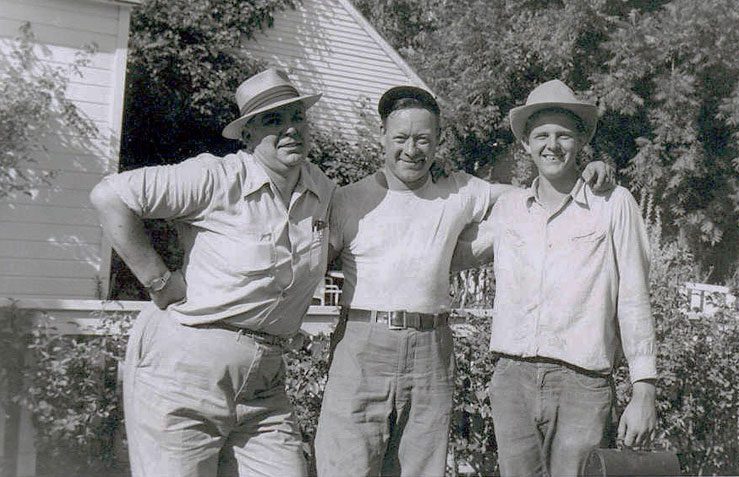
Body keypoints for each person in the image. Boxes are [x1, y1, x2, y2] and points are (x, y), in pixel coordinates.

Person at [313, 85, 615, 477]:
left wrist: (587, 174)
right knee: (346, 466)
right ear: (382, 136)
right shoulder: (348, 199)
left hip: (431, 352)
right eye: (401, 138)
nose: (412, 150)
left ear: (438, 141)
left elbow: (539, 198)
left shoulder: (460, 190)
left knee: (420, 468)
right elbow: (309, 266)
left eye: (423, 139)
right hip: (361, 346)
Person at [89, 69, 335, 477]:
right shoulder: (216, 178)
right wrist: (160, 281)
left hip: (264, 382)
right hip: (185, 369)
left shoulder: (321, 191)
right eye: (274, 120)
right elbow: (109, 196)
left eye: (297, 117)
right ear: (248, 136)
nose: (290, 129)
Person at [459, 79, 657, 476]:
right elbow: (452, 252)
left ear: (581, 140)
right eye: (541, 135)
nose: (552, 145)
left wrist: (645, 388)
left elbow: (634, 297)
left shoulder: (614, 204)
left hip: (582, 383)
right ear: (526, 144)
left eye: (563, 134)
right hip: (512, 380)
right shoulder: (510, 209)